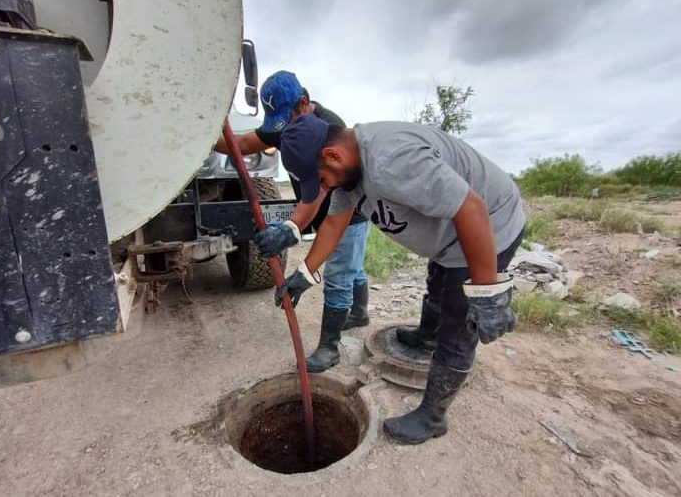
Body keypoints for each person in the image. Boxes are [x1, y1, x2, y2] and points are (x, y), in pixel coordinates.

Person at [271, 114, 525, 445]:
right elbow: (333, 225)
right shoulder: (351, 173)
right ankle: (425, 336)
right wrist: (303, 276)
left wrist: (488, 292)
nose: (324, 187)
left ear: (332, 155)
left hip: (488, 227)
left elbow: (471, 209)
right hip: (448, 239)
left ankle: (432, 417)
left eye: (321, 179)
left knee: (458, 321)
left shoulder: (393, 161)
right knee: (438, 282)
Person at [215, 71, 371, 372]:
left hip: (349, 212)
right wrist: (207, 140)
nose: (282, 131)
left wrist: (292, 229)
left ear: (303, 101)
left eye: (287, 120)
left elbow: (323, 190)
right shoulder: (282, 122)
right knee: (352, 265)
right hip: (317, 202)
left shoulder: (330, 127)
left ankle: (329, 348)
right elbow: (244, 143)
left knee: (340, 272)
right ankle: (360, 313)